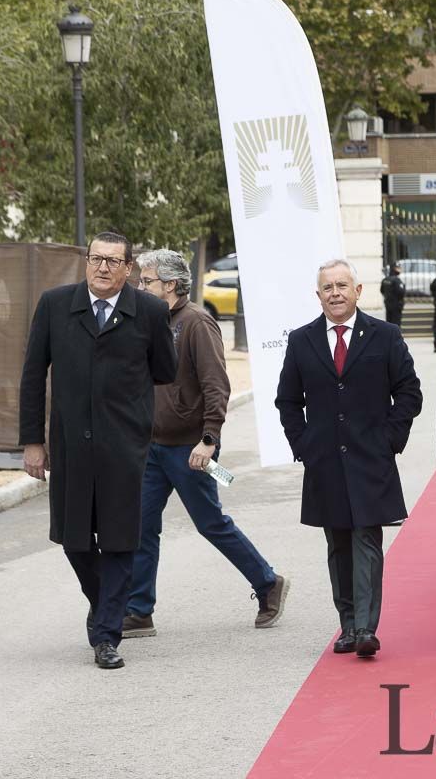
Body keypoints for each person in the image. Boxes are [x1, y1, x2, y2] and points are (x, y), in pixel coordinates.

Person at [19, 232, 178, 669]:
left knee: (120, 540)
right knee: (74, 540)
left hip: (123, 448)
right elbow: (33, 375)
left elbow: (165, 369)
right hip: (70, 445)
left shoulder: (148, 311)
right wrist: (34, 441)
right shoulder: (55, 304)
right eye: (96, 259)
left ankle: (106, 635)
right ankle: (104, 602)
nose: (103, 267)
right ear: (86, 263)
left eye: (113, 261)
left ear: (128, 268)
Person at [122, 250, 286, 639]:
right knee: (141, 527)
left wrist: (209, 439)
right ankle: (139, 610)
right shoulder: (150, 322)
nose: (139, 287)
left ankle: (268, 583)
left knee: (211, 524)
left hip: (189, 449)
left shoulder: (196, 323)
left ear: (172, 285)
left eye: (146, 281)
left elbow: (217, 385)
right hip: (152, 447)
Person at [275, 259, 421, 658]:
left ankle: (365, 629)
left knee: (366, 541)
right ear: (318, 295)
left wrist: (390, 438)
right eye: (328, 287)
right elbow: (288, 400)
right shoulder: (302, 340)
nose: (335, 293)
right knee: (339, 543)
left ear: (358, 291)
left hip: (371, 459)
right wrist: (303, 444)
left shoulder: (385, 336)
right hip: (324, 461)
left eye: (343, 285)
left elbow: (409, 392)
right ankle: (347, 623)